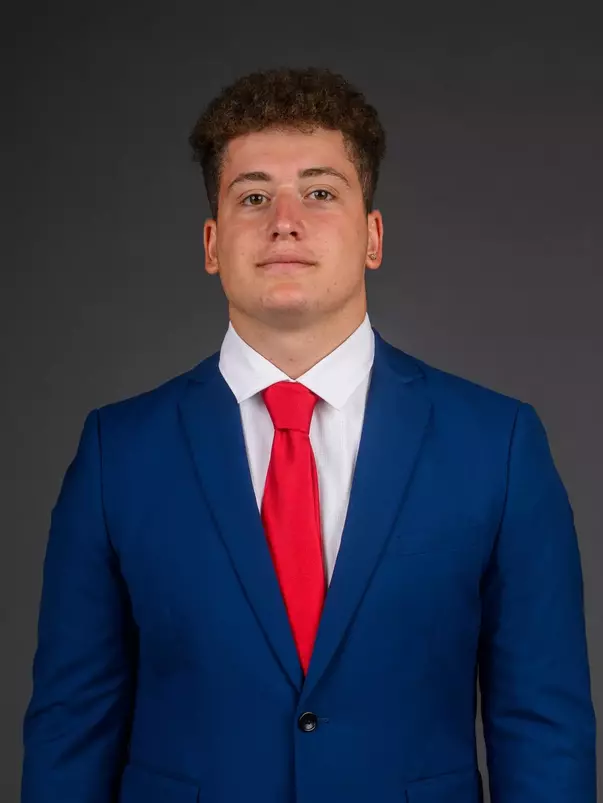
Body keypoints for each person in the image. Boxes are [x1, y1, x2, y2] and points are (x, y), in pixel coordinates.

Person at [21, 66, 596, 803]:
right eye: (252, 195)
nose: (283, 219)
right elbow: (71, 732)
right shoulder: (116, 453)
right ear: (210, 242)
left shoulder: (498, 445)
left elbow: (542, 728)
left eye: (320, 192)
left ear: (372, 236)